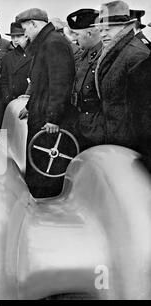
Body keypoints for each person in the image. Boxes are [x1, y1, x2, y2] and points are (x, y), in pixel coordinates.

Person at [16, 8, 76, 198]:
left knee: (44, 167)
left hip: (47, 120)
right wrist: (29, 106)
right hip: (40, 112)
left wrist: (53, 119)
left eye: (26, 29)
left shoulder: (53, 43)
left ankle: (45, 204)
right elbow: (41, 82)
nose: (25, 34)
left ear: (34, 24)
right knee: (38, 162)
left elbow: (60, 84)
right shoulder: (47, 42)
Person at [94, 1, 149, 148]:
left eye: (109, 29)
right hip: (115, 138)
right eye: (100, 30)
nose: (103, 34)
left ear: (126, 27)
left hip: (130, 144)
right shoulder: (114, 52)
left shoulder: (136, 56)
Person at [67, 8, 104, 150]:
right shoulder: (84, 55)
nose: (74, 39)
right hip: (80, 124)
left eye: (76, 34)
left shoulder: (103, 57)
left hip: (95, 129)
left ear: (89, 33)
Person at [0, 23, 31, 108]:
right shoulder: (7, 57)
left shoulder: (35, 55)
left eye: (18, 36)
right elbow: (4, 81)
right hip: (12, 102)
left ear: (26, 36)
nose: (15, 40)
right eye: (13, 37)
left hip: (29, 101)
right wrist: (7, 98)